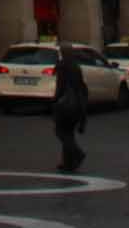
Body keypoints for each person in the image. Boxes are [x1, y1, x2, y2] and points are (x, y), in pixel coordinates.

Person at [51, 40, 90, 173]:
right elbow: (80, 86)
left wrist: (54, 100)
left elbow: (61, 87)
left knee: (60, 132)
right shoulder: (76, 66)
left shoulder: (63, 66)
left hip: (66, 104)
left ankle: (77, 153)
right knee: (68, 133)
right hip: (77, 104)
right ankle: (68, 163)